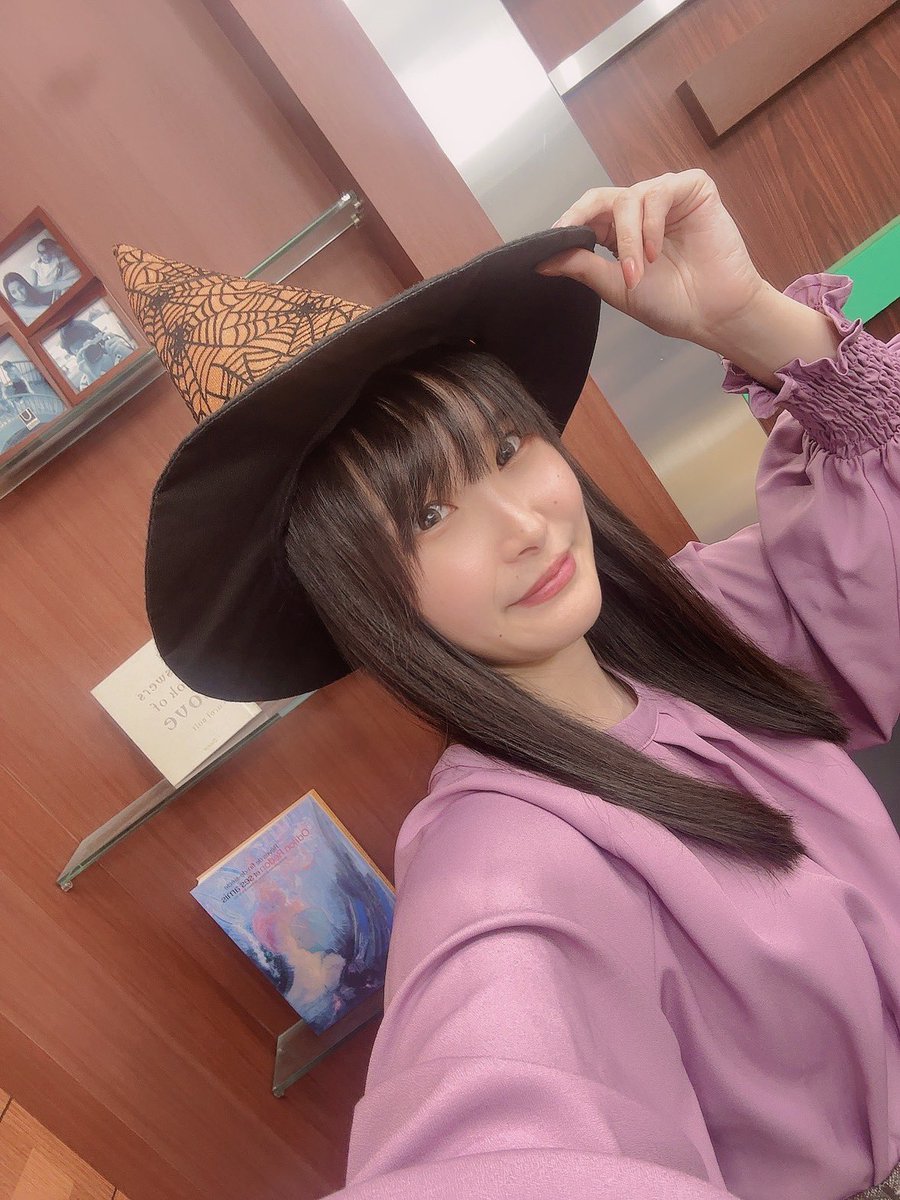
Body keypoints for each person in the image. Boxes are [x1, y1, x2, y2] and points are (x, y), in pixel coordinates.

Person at [114, 167, 900, 1200]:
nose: (525, 525)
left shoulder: (697, 624)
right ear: (363, 599)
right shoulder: (501, 869)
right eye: (428, 516)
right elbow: (493, 1128)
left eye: (503, 448)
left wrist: (742, 317)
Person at [57, 318, 134, 389]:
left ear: (100, 336)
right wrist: (93, 377)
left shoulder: (121, 350)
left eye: (90, 344)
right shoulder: (86, 381)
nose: (89, 351)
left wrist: (131, 355)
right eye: (80, 351)